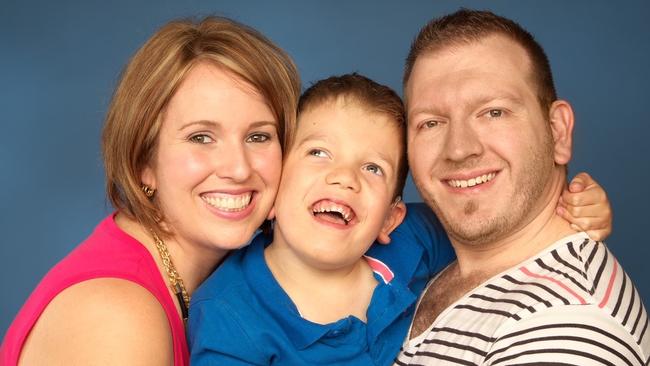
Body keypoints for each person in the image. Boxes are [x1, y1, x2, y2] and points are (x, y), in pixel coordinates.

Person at [188, 74, 613, 366]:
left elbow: (492, 214)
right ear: (274, 188)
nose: (344, 177)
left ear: (390, 218)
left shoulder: (412, 242)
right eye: (318, 153)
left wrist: (572, 201)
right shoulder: (230, 318)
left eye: (373, 168)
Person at [0, 17, 300, 365]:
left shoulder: (230, 282)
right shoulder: (115, 316)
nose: (238, 168)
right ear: (144, 160)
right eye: (200, 137)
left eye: (258, 136)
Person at [395, 9, 649, 365]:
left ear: (557, 131)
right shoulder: (420, 254)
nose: (459, 149)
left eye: (493, 112)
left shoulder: (569, 326)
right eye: (431, 122)